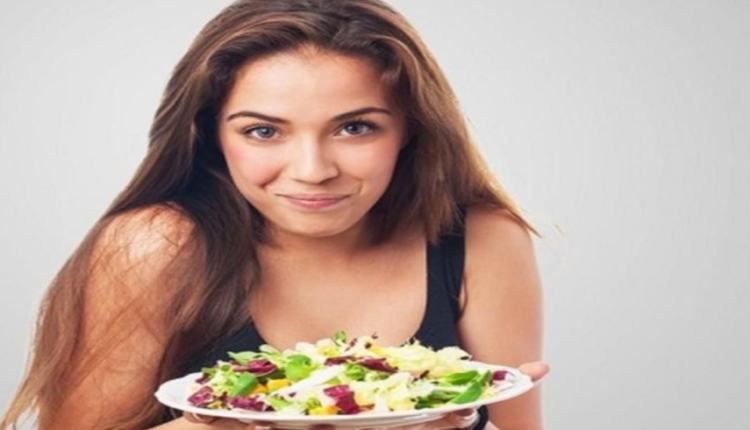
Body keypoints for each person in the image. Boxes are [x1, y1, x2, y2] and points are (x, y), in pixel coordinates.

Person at [1, 0, 550, 429]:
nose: (312, 171)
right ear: (211, 135)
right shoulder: (155, 244)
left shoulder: (481, 237)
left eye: (355, 127)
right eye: (263, 131)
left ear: (410, 129)